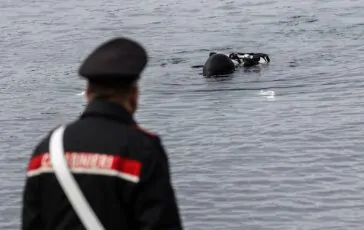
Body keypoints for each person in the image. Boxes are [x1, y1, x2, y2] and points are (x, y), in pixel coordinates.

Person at [21, 37, 184, 230]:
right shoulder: (141, 149)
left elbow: (31, 223)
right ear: (134, 96)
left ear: (87, 93)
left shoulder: (47, 148)